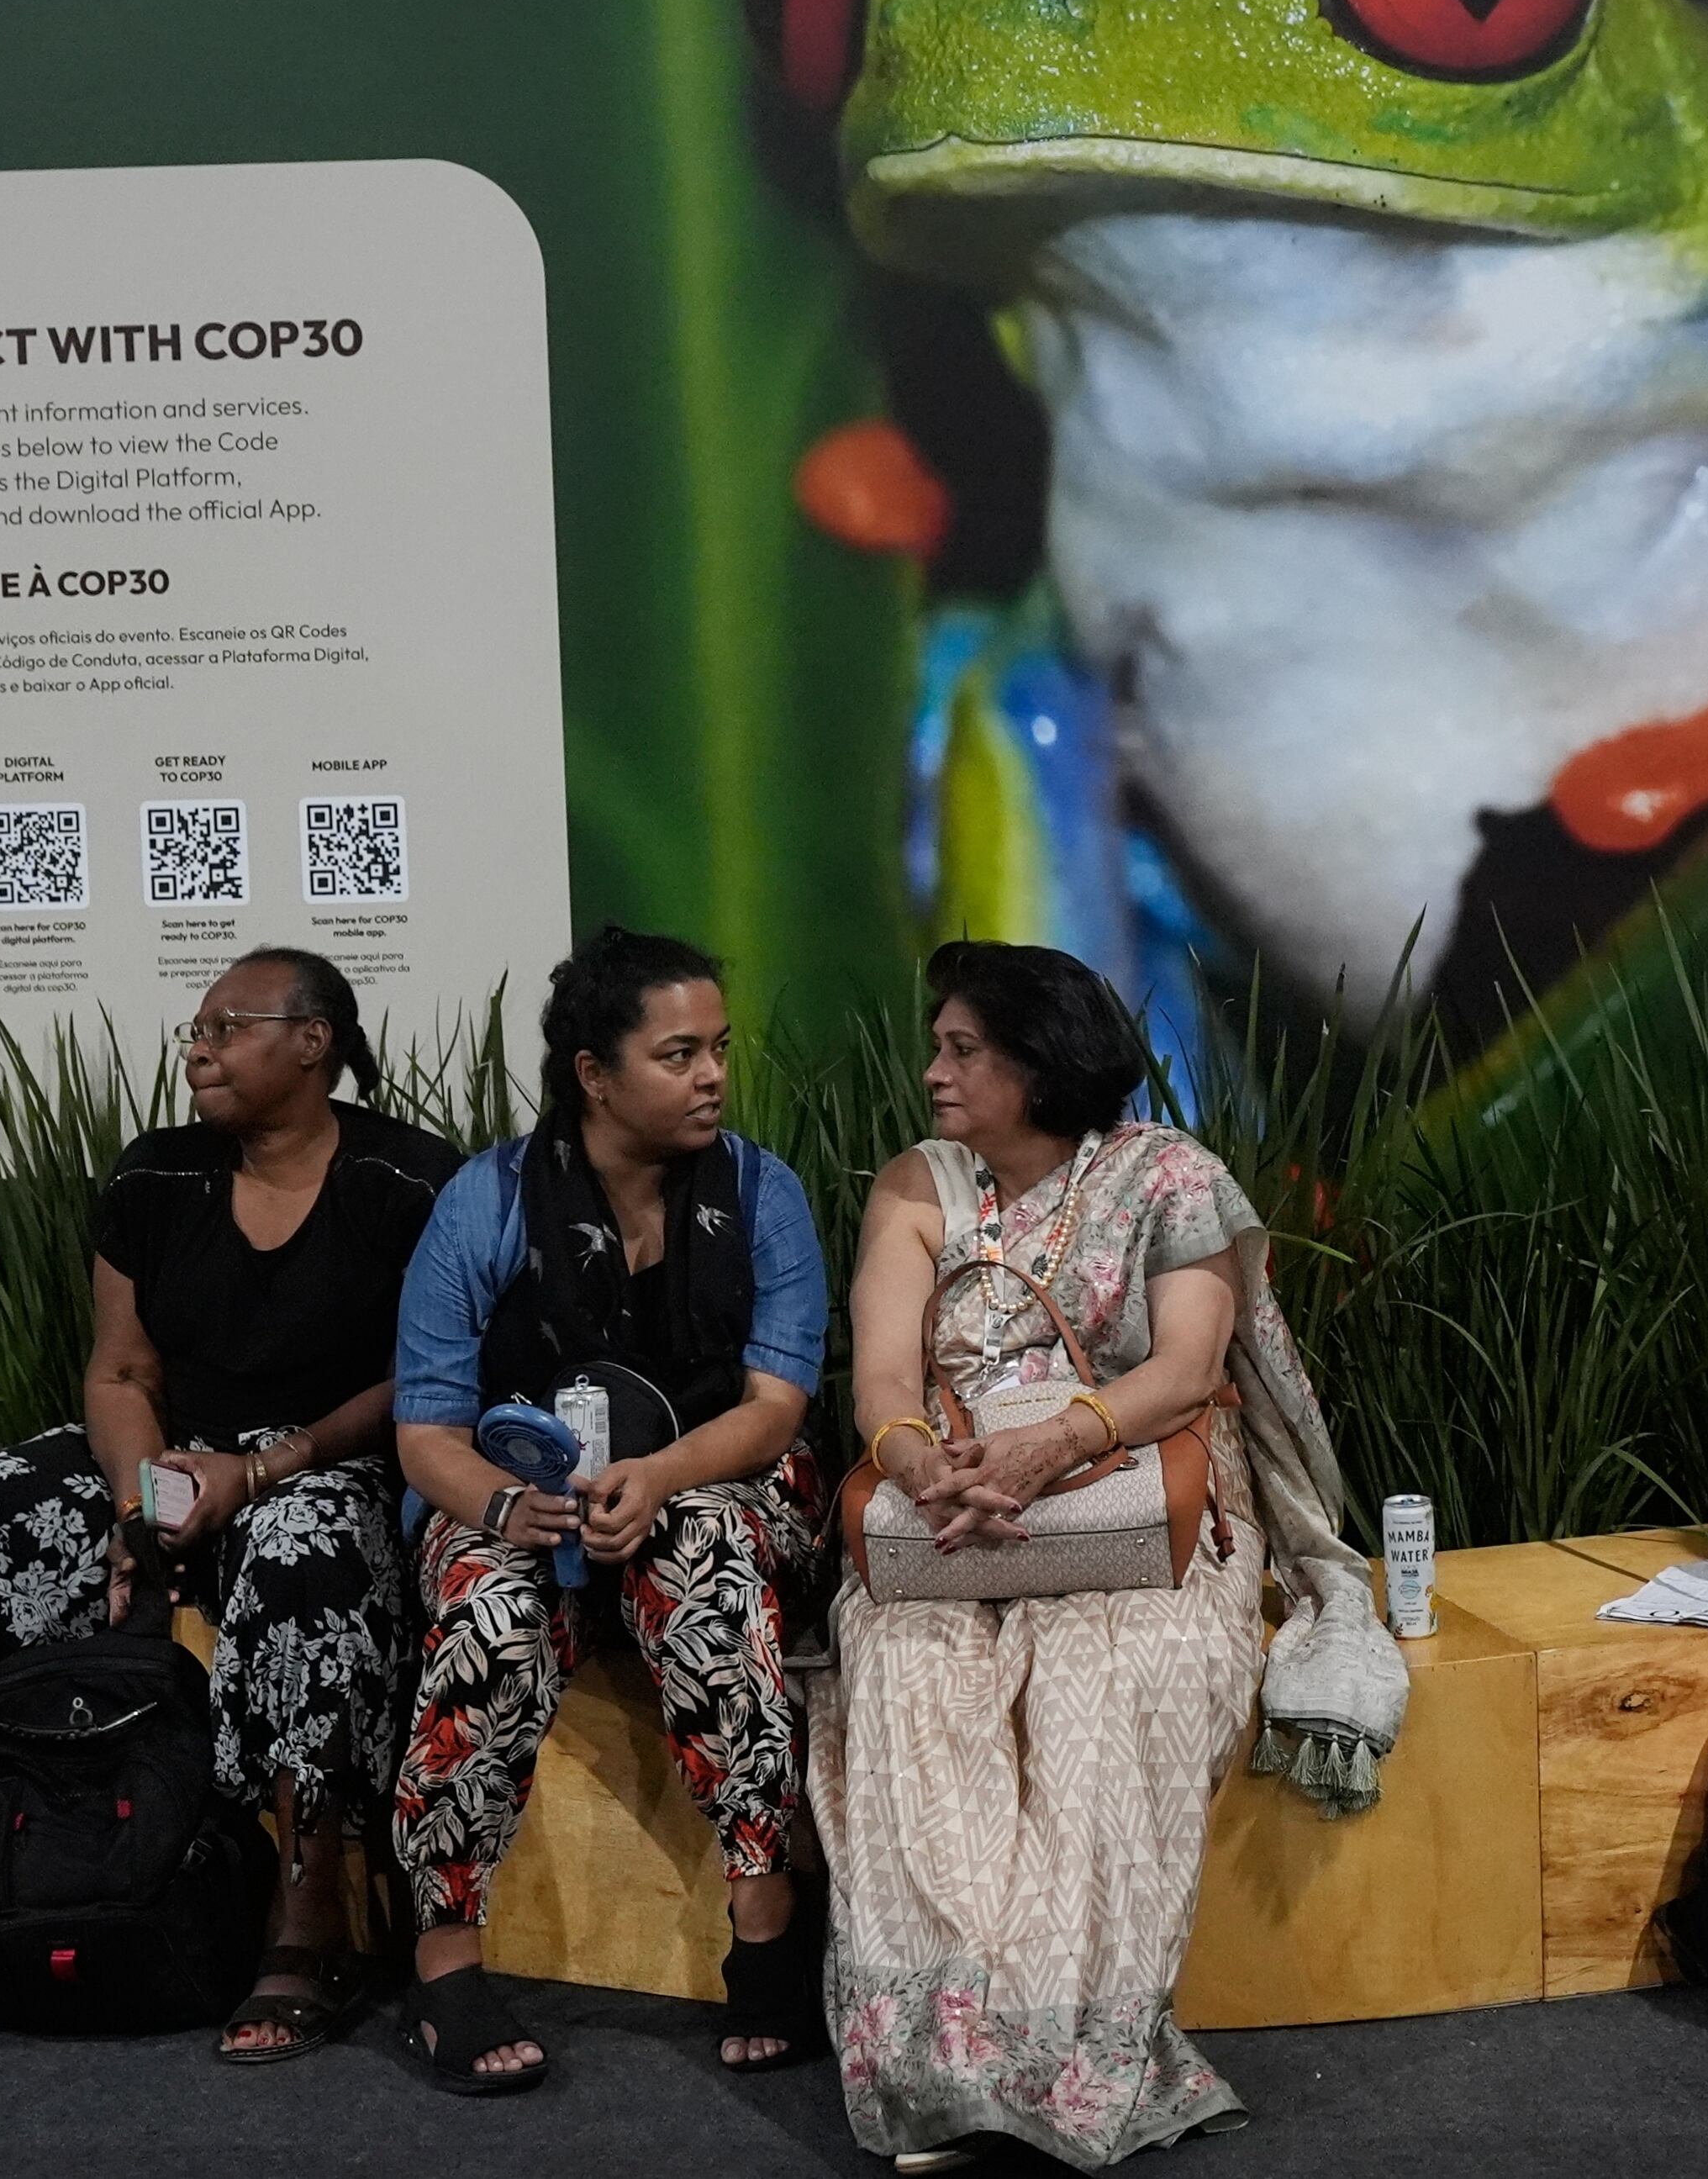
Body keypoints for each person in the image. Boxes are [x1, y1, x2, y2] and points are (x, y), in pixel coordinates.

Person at [0, 947, 459, 2061]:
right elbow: (120, 1373)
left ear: (313, 1041)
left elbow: (430, 1374)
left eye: (230, 1023)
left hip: (322, 1464)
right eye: (195, 1027)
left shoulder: (410, 1180)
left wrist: (260, 1470)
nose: (199, 1044)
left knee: (306, 1552)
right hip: (158, 1457)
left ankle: (312, 1922)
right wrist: (134, 1506)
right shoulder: (153, 1177)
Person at [813, 940, 1404, 2174]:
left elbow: (1187, 1368)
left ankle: (1069, 2056)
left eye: (962, 1047)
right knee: (917, 1684)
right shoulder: (918, 1183)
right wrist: (923, 1460)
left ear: (1041, 1061)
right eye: (938, 1042)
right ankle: (941, 2063)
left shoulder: (1169, 1177)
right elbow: (879, 1367)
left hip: (1134, 1502)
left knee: (1107, 1690)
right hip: (951, 1500)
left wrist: (1048, 1450)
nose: (932, 1068)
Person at [385, 928, 833, 2090]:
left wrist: (664, 1475)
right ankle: (442, 1959)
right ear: (592, 1072)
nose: (711, 1076)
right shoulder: (482, 1202)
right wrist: (502, 1503)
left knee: (703, 1553)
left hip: (717, 1474)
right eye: (677, 1052)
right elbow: (427, 1430)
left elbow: (775, 1404)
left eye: (718, 1048)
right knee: (491, 1609)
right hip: (520, 1489)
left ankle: (768, 1910)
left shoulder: (761, 1191)